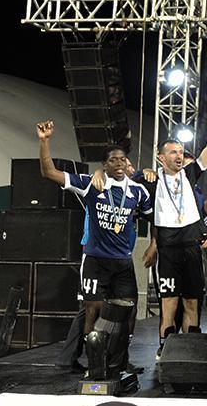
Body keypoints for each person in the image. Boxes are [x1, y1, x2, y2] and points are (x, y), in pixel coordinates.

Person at [37, 121, 153, 344]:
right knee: (94, 309)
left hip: (123, 261)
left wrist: (154, 244)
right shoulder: (92, 184)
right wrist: (44, 141)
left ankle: (120, 355)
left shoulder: (138, 190)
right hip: (95, 260)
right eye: (113, 160)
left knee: (129, 309)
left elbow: (153, 217)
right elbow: (49, 172)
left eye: (122, 159)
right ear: (104, 165)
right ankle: (94, 358)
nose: (119, 163)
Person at [141, 95, 207, 353]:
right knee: (169, 304)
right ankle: (165, 350)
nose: (179, 156)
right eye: (173, 152)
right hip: (169, 250)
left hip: (192, 248)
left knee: (192, 302)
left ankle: (190, 350)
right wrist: (134, 172)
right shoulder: (151, 180)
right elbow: (122, 174)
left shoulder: (190, 174)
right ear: (161, 157)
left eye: (181, 152)